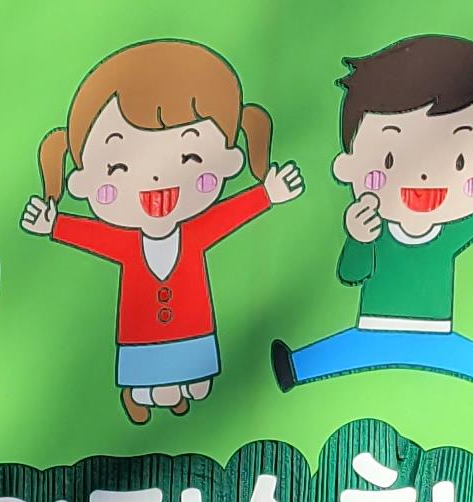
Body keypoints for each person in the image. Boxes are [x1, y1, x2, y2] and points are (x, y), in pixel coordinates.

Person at [24, 40, 301, 422]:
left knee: (199, 386)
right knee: (155, 385)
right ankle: (137, 395)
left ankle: (171, 395)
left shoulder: (197, 232)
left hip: (193, 332)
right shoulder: (125, 242)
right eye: (119, 168)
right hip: (142, 339)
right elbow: (92, 236)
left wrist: (267, 194)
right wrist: (54, 225)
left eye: (190, 157)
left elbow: (229, 215)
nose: (156, 179)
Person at [272, 32, 473, 399]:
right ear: (348, 165)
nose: (424, 176)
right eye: (390, 159)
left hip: (433, 332)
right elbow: (353, 272)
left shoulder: (444, 238)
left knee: (457, 355)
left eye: (460, 161)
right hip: (374, 328)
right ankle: (295, 367)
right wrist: (358, 239)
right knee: (345, 350)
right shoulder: (375, 228)